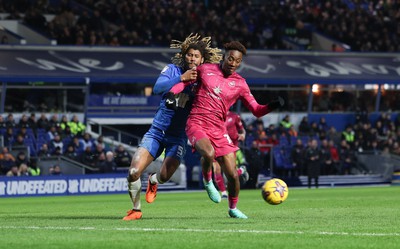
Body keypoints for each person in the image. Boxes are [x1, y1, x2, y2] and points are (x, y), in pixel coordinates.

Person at [169, 41, 284, 218]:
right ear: (224, 57)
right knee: (208, 153)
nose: (233, 63)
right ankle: (208, 182)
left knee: (233, 175)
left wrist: (272, 105)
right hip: (196, 122)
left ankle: (233, 208)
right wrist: (172, 92)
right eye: (230, 58)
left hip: (218, 129)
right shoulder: (204, 69)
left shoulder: (240, 84)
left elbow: (256, 110)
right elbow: (184, 83)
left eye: (237, 61)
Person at [123, 34, 222, 221]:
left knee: (164, 176)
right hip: (157, 132)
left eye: (196, 56)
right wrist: (181, 79)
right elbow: (158, 88)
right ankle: (136, 210)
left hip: (178, 137)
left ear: (202, 60)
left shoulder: (204, 81)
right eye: (189, 55)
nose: (192, 58)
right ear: (184, 55)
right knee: (133, 172)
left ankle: (154, 181)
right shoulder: (172, 70)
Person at [213, 110, 248, 198]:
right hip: (217, 144)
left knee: (231, 173)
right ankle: (224, 193)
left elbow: (242, 130)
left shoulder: (235, 116)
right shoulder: (215, 115)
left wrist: (242, 135)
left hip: (231, 147)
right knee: (216, 169)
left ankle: (241, 170)